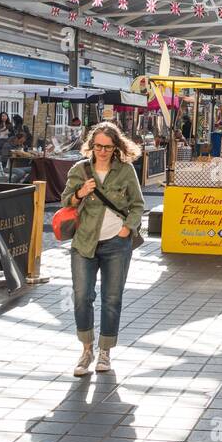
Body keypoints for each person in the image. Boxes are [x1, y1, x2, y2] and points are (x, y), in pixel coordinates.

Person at [60, 123, 147, 376]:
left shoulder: (126, 171)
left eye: (108, 147)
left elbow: (138, 205)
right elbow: (66, 200)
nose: (102, 151)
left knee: (112, 299)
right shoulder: (80, 169)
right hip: (84, 243)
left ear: (116, 147)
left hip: (116, 244)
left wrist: (126, 229)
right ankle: (87, 350)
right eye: (98, 146)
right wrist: (80, 193)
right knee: (82, 297)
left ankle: (105, 351)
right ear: (91, 146)